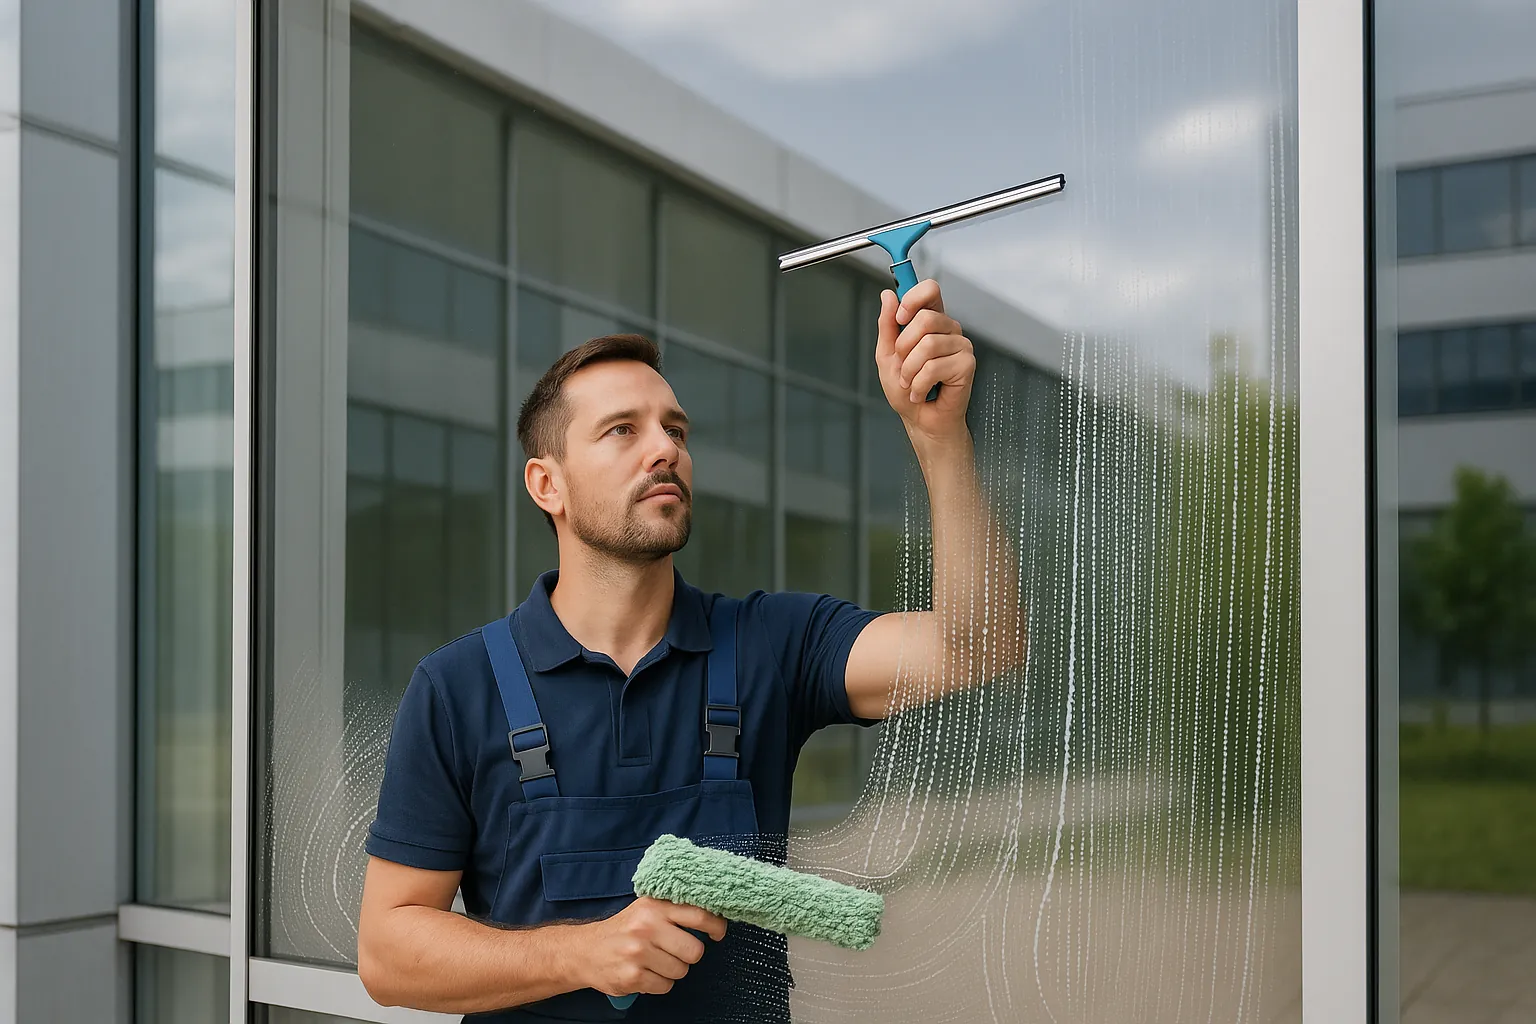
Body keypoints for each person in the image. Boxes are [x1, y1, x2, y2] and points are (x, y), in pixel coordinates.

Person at [356, 280, 1025, 1021]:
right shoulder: (458, 687)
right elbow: (388, 954)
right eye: (623, 430)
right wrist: (581, 952)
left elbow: (980, 645)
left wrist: (940, 438)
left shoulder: (773, 644)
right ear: (548, 484)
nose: (665, 448)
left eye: (676, 429)